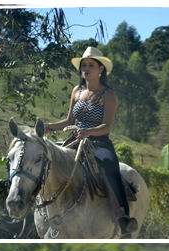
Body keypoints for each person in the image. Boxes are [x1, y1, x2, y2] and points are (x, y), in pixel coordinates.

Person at [44, 46, 136, 237]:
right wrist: (50, 126)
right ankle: (28, 217)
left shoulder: (108, 94)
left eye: (90, 65)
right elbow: (69, 121)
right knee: (44, 162)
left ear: (101, 69)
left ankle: (123, 218)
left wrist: (89, 132)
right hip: (74, 140)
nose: (85, 69)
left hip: (99, 143)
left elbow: (106, 126)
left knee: (111, 169)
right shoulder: (77, 91)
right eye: (83, 65)